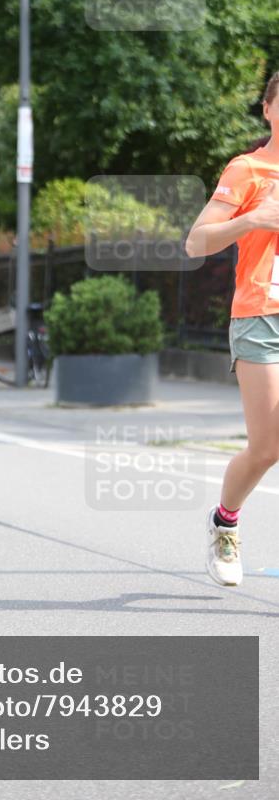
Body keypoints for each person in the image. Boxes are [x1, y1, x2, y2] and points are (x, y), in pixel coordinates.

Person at [185, 71, 279, 586]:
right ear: (267, 108)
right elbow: (196, 243)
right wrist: (252, 220)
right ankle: (226, 521)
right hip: (262, 316)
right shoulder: (248, 170)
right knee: (267, 447)